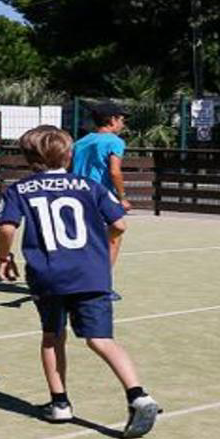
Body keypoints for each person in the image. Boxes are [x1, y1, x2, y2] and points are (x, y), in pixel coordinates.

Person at [0, 125, 160, 436]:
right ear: (69, 155)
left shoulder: (19, 190)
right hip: (91, 274)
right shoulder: (89, 186)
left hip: (48, 275)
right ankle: (138, 395)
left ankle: (60, 403)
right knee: (101, 339)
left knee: (52, 336)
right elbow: (120, 225)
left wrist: (5, 257)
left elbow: (7, 227)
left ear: (28, 158)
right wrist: (100, 249)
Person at [71, 101, 131, 298]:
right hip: (100, 196)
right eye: (121, 119)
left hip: (77, 194)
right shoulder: (114, 141)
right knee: (115, 234)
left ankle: (82, 279)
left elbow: (70, 169)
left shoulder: (80, 142)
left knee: (87, 238)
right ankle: (102, 285)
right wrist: (122, 197)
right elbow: (115, 172)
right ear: (112, 120)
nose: (123, 123)